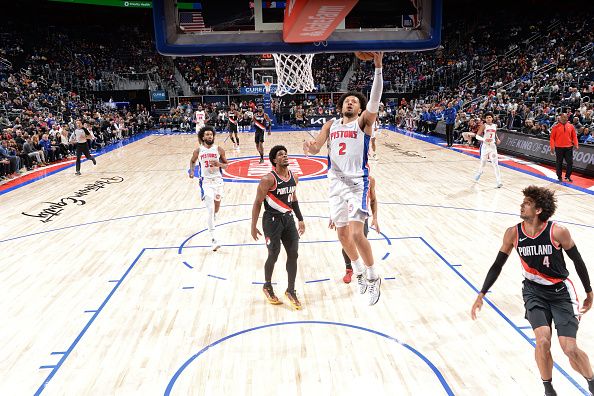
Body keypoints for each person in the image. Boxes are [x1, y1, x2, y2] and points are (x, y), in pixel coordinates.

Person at [471, 186, 594, 396]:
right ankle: (548, 389)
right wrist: (482, 293)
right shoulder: (513, 233)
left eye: (527, 203)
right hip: (533, 292)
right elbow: (497, 264)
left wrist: (589, 291)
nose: (522, 205)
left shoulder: (558, 231)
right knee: (542, 340)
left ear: (538, 210)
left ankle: (591, 381)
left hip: (561, 292)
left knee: (569, 349)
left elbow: (578, 260)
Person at [303, 52, 384, 306]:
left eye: (354, 102)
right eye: (347, 101)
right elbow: (317, 148)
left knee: (358, 233)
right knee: (342, 235)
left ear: (360, 109)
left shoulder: (362, 123)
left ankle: (373, 276)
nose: (350, 103)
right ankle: (358, 270)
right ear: (341, 106)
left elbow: (374, 100)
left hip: (356, 183)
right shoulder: (331, 125)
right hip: (334, 184)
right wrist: (310, 147)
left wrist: (378, 67)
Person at [251, 145, 305, 310]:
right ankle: (267, 286)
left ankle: (290, 290)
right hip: (271, 220)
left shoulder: (294, 177)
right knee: (273, 254)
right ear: (274, 160)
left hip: (288, 220)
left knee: (293, 254)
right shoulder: (268, 179)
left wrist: (300, 218)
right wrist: (253, 226)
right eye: (281, 154)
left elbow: (293, 198)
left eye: (286, 153)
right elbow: (257, 202)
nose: (285, 156)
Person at [331, 175, 379, 284]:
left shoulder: (370, 180)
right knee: (348, 243)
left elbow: (373, 199)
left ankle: (365, 269)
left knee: (361, 241)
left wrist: (375, 218)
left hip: (362, 216)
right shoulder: (344, 178)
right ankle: (349, 269)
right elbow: (337, 199)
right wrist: (333, 216)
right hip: (347, 215)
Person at [189, 125, 228, 251]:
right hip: (206, 182)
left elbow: (226, 165)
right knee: (210, 209)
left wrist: (219, 164)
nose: (209, 136)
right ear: (202, 137)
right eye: (207, 134)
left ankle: (214, 216)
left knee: (217, 206)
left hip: (218, 181)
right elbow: (192, 161)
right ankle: (213, 239)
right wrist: (191, 170)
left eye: (211, 134)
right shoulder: (198, 150)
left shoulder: (219, 149)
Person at [474, 112, 503, 188]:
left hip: (492, 146)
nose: (488, 119)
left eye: (490, 117)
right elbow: (477, 136)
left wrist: (497, 139)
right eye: (487, 118)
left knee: (495, 164)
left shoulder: (495, 126)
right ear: (485, 119)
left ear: (492, 118)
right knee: (483, 163)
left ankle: (499, 181)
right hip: (485, 146)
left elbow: (495, 134)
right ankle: (480, 172)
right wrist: (484, 139)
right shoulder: (484, 126)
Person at [550, 113, 579, 183]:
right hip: (559, 148)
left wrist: (576, 144)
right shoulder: (555, 127)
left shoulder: (571, 126)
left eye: (565, 117)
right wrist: (552, 147)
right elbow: (552, 138)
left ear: (567, 118)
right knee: (559, 163)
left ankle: (567, 176)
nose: (564, 118)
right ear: (560, 118)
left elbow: (574, 136)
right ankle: (559, 176)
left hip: (569, 148)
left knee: (570, 162)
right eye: (562, 117)